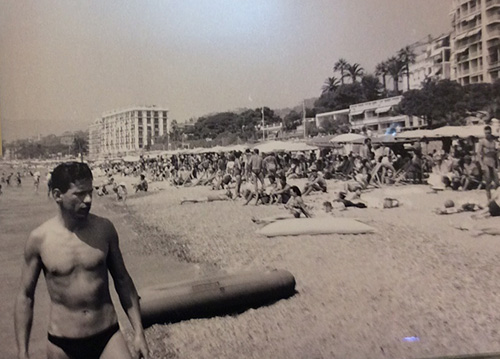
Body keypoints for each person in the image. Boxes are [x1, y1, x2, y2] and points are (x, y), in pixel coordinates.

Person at [14, 162, 149, 359]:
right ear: (58, 195)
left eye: (90, 192)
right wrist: (22, 352)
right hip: (62, 342)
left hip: (107, 335)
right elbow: (25, 296)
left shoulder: (104, 229)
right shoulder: (39, 240)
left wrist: (139, 333)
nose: (88, 200)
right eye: (79, 194)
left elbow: (123, 281)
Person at [477, 125, 499, 201]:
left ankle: (495, 197)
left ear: (491, 133)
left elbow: (496, 154)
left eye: (488, 133)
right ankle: (489, 198)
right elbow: (478, 154)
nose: (487, 134)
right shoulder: (482, 141)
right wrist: (481, 165)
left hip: (492, 162)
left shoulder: (493, 142)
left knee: (497, 182)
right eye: (486, 133)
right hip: (485, 161)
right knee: (488, 182)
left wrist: (498, 165)